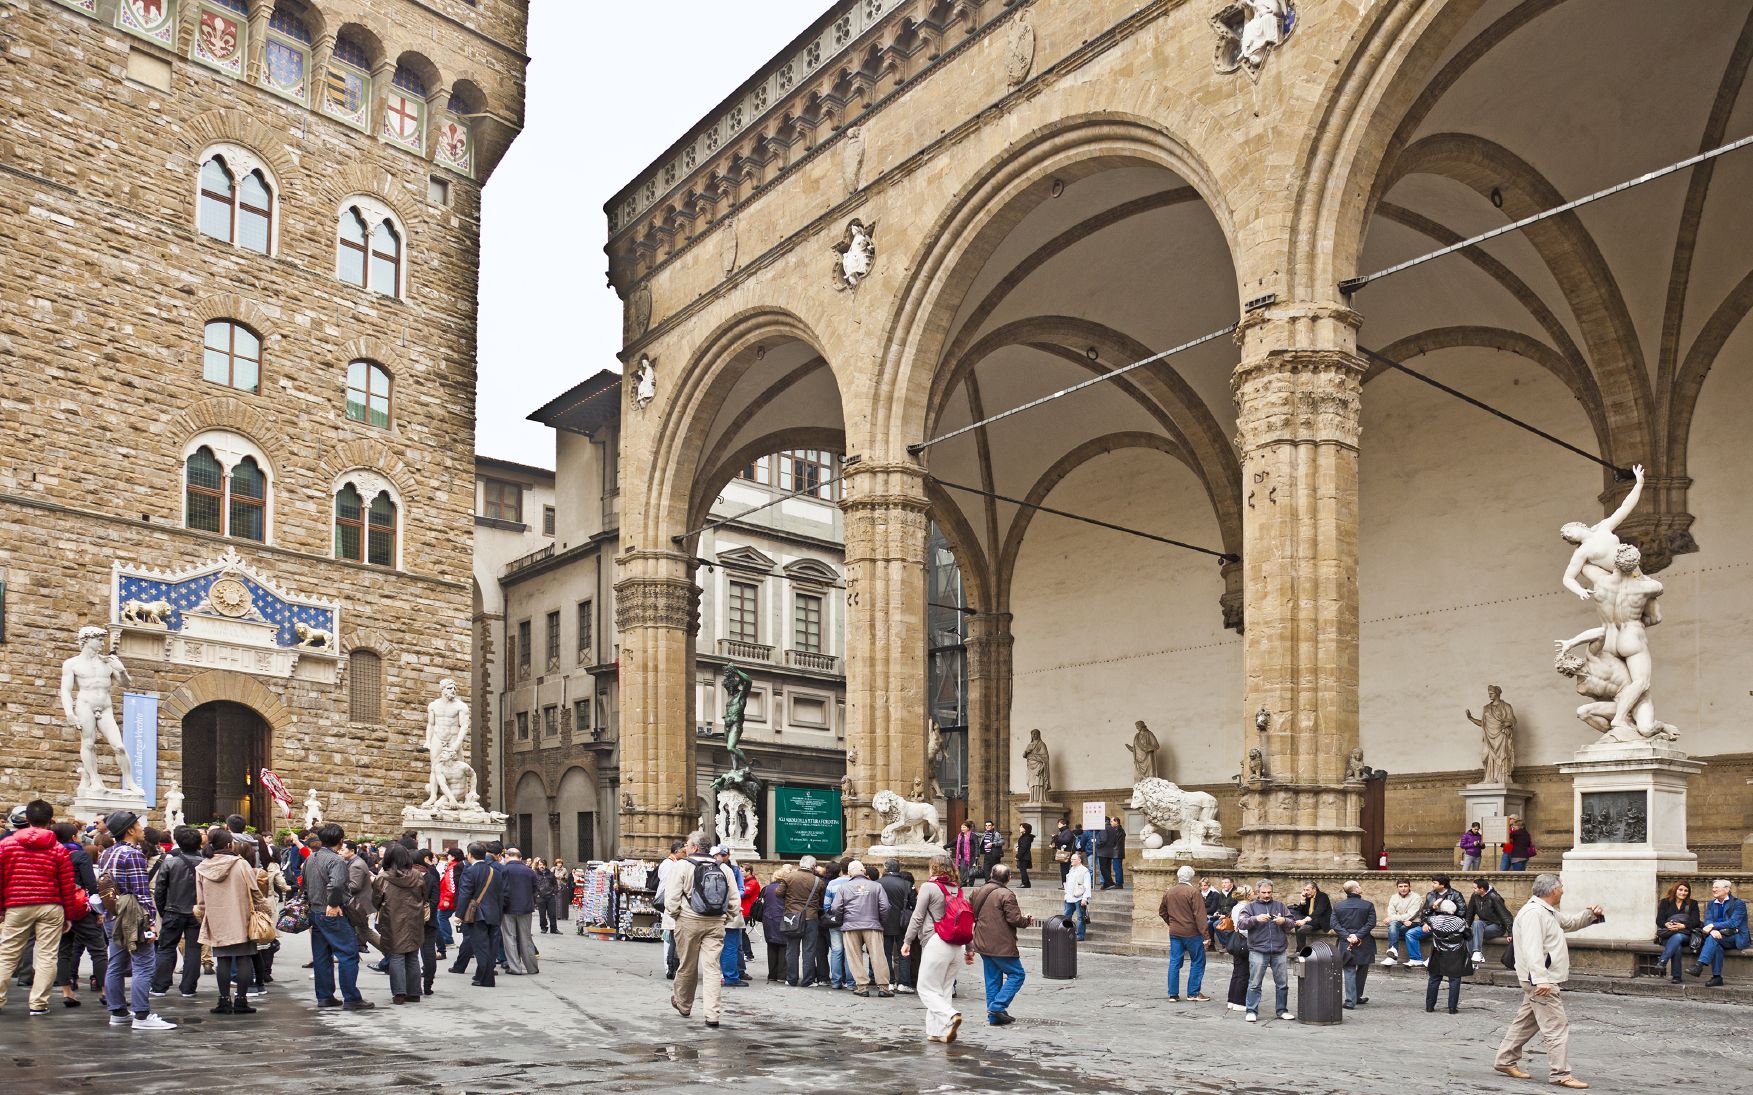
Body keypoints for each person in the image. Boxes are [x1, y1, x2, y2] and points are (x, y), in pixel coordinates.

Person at [1494, 872, 1603, 1088]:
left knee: (1525, 1023)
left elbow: (1569, 923)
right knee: (1556, 1026)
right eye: (1561, 887)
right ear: (1553, 890)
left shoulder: (1545, 911)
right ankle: (1560, 1073)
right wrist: (1541, 979)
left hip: (1539, 979)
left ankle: (1505, 1060)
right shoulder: (1534, 913)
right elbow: (1532, 948)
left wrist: (1590, 914)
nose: (1563, 890)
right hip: (1541, 981)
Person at [0, 799, 81, 1017]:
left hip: (17, 904)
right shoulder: (58, 849)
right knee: (47, 955)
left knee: (7, 954)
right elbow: (67, 884)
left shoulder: (7, 845)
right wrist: (69, 914)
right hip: (50, 905)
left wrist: (1, 907)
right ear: (50, 820)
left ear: (26, 818)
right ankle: (38, 1003)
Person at [97, 811, 176, 1029]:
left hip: (113, 914)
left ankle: (118, 1011)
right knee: (144, 963)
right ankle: (142, 1015)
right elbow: (141, 892)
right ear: (130, 830)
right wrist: (150, 922)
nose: (142, 829)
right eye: (139, 825)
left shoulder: (107, 853)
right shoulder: (133, 855)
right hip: (133, 916)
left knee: (116, 963)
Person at [664, 831, 737, 1028]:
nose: (685, 848)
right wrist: (725, 918)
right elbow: (734, 901)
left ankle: (684, 1004)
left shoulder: (682, 866)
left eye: (687, 845)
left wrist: (676, 915)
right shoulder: (723, 868)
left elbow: (671, 898)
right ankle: (712, 1014)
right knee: (712, 968)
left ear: (695, 847)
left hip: (688, 921)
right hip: (716, 922)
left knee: (687, 965)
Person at [194, 827, 263, 1015]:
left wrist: (204, 915)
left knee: (223, 960)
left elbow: (201, 901)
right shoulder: (241, 864)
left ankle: (223, 1000)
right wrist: (263, 909)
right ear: (229, 844)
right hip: (242, 916)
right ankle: (241, 1000)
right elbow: (255, 891)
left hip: (217, 918)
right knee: (243, 958)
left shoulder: (202, 867)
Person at [903, 854, 970, 1043]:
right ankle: (938, 1032)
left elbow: (918, 916)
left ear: (933, 868)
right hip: (957, 945)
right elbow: (966, 919)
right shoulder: (958, 890)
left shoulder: (929, 887)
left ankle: (950, 1015)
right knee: (944, 989)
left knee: (925, 988)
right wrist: (970, 948)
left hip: (936, 940)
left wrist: (907, 941)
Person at [305, 822, 371, 1010]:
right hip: (332, 912)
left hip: (315, 910)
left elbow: (304, 882)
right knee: (348, 954)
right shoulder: (337, 861)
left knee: (321, 956)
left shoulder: (311, 858)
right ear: (341, 841)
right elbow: (335, 885)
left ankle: (325, 996)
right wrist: (333, 904)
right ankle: (351, 998)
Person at [51, 821, 105, 1008]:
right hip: (80, 907)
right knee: (98, 949)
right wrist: (98, 910)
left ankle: (67, 992)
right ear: (74, 837)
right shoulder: (80, 856)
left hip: (59, 908)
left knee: (64, 951)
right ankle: (106, 991)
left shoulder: (52, 854)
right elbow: (91, 885)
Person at [972, 863, 1032, 1024]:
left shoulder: (977, 891)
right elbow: (1014, 919)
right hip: (1001, 943)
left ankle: (994, 1017)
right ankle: (997, 1007)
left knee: (992, 978)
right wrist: (1026, 920)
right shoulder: (1006, 894)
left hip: (982, 941)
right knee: (1017, 974)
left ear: (991, 875)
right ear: (1008, 878)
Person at [149, 825, 203, 998]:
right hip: (196, 912)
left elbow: (160, 890)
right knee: (194, 950)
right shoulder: (204, 864)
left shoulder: (170, 862)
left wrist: (163, 910)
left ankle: (159, 986)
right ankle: (188, 988)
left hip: (173, 910)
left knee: (166, 948)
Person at [372, 843, 428, 1005]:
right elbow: (423, 896)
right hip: (414, 919)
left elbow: (376, 900)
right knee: (412, 955)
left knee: (396, 955)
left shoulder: (383, 877)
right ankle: (414, 992)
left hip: (392, 919)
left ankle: (399, 993)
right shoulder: (417, 875)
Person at [1234, 878, 1294, 1023]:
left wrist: (1284, 921)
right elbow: (1241, 923)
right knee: (1255, 983)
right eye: (1264, 892)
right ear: (1257, 892)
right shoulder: (1250, 907)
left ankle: (1282, 1010)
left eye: (1269, 892)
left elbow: (1292, 922)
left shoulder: (1280, 906)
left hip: (1279, 949)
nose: (1267, 895)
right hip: (1258, 950)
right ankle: (1251, 1010)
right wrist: (1255, 919)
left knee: (1282, 984)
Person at [832, 860, 893, 997]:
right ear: (863, 871)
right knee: (878, 956)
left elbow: (836, 908)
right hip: (872, 924)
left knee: (854, 956)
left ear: (849, 873)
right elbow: (885, 906)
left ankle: (862, 987)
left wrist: (842, 920)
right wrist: (879, 920)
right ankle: (884, 988)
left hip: (851, 925)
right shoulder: (876, 886)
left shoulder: (843, 887)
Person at [452, 841, 503, 988]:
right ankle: (482, 976)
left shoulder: (469, 871)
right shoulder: (495, 872)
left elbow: (465, 894)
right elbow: (500, 895)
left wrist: (459, 914)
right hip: (494, 913)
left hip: (477, 914)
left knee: (481, 948)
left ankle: (487, 979)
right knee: (490, 947)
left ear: (470, 855)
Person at [1158, 864, 1207, 1002]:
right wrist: (1206, 935)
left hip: (1175, 931)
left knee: (1174, 962)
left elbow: (1162, 911)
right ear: (1191, 877)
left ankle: (1173, 994)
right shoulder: (1193, 892)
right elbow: (1200, 916)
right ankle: (1193, 992)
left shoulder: (1169, 892)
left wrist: (1171, 923)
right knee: (1198, 961)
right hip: (1192, 932)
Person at [1688, 878, 1747, 986]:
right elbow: (1708, 921)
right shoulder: (1711, 904)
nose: (1713, 889)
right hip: (1717, 936)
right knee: (1715, 943)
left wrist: (1713, 926)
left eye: (1716, 887)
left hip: (1736, 936)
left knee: (1713, 939)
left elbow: (1733, 923)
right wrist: (1713, 931)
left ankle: (1699, 965)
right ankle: (1717, 977)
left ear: (1727, 889)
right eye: (1713, 887)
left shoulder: (1738, 904)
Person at [1331, 880, 1376, 1008]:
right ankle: (1355, 997)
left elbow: (1334, 924)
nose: (1360, 887)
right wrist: (1357, 935)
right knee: (1362, 970)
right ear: (1355, 889)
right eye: (1359, 886)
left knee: (1349, 970)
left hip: (1346, 942)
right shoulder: (1368, 905)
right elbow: (1371, 923)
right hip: (1364, 942)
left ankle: (1351, 1000)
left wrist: (1348, 936)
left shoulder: (1338, 906)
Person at [780, 854, 823, 987]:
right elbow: (821, 900)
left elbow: (778, 893)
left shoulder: (789, 877)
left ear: (800, 864)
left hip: (792, 917)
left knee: (792, 949)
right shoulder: (818, 881)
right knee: (809, 950)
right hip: (811, 918)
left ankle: (791, 979)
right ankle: (807, 980)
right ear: (813, 866)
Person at [1423, 896, 1470, 1014]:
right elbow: (1469, 936)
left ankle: (1429, 1006)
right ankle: (1452, 1008)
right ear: (1454, 910)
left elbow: (1424, 915)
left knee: (1434, 979)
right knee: (1454, 980)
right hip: (1455, 954)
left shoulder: (1434, 920)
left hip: (1438, 953)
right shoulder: (1460, 922)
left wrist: (1433, 907)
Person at [498, 848, 539, 975]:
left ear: (507, 856)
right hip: (525, 908)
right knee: (526, 937)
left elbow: (501, 889)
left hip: (508, 908)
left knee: (509, 937)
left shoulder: (503, 870)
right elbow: (535, 889)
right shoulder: (529, 871)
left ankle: (515, 968)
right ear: (520, 857)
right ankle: (532, 967)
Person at [714, 847, 749, 988]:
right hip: (729, 912)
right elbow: (739, 891)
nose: (723, 857)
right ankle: (730, 976)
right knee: (730, 947)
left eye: (725, 854)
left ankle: (720, 975)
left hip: (712, 912)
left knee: (717, 947)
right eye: (721, 855)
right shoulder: (730, 870)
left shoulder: (705, 868)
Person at [878, 858, 915, 991]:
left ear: (885, 868)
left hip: (883, 922)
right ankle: (903, 983)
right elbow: (914, 904)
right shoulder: (907, 884)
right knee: (904, 953)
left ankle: (889, 981)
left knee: (885, 953)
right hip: (902, 923)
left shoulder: (878, 883)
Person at [1656, 881, 1700, 984]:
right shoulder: (1665, 902)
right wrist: (1667, 924)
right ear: (1675, 890)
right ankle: (1676, 976)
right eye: (1680, 890)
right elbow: (1659, 920)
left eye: (1686, 890)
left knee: (1678, 937)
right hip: (1668, 934)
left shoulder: (1692, 903)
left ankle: (1662, 961)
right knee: (1677, 946)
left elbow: (1696, 921)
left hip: (1685, 934)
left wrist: (1683, 926)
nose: (1683, 893)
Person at [654, 841, 685, 980]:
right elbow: (669, 885)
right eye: (683, 852)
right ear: (676, 851)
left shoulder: (672, 863)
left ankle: (671, 966)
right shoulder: (669, 864)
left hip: (670, 902)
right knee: (669, 936)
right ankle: (669, 967)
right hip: (668, 902)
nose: (685, 854)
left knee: (671, 936)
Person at [1466, 877, 1514, 964]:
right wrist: (1466, 927)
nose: (1473, 890)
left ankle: (1473, 957)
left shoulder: (1494, 897)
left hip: (1497, 926)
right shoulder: (1475, 896)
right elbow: (1470, 913)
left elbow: (1505, 915)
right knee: (1475, 924)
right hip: (1483, 924)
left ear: (1482, 889)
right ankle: (1476, 954)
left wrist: (1510, 933)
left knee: (1473, 932)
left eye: (1475, 888)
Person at [413, 847, 441, 996]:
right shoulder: (431, 877)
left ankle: (412, 987)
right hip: (428, 920)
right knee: (429, 952)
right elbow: (435, 900)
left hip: (409, 921)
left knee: (410, 955)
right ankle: (428, 985)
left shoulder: (406, 877)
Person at [1223, 883, 1253, 1012]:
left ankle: (1232, 999)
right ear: (1247, 895)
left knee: (1237, 971)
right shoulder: (1245, 908)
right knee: (1243, 973)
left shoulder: (1236, 907)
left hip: (1237, 941)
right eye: (1252, 892)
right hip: (1243, 941)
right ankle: (1239, 1002)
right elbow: (1244, 928)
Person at [824, 858, 853, 989]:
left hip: (835, 921)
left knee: (836, 951)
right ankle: (850, 982)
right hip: (851, 922)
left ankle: (836, 981)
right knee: (850, 952)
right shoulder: (856, 883)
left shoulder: (832, 883)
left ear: (842, 869)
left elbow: (826, 905)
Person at [1381, 878, 1424, 966]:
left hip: (1413, 922)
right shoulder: (1393, 897)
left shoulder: (1416, 897)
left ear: (1409, 887)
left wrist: (1394, 918)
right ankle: (1393, 953)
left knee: (1393, 927)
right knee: (1393, 925)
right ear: (1397, 887)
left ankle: (1392, 955)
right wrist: (1402, 920)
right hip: (1400, 923)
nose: (1403, 889)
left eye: (1405, 886)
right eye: (1400, 886)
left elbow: (1411, 914)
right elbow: (1391, 913)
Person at [760, 865, 791, 983]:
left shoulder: (767, 888)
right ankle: (781, 975)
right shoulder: (786, 889)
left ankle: (772, 974)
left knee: (771, 945)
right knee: (783, 945)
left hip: (768, 919)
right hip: (782, 918)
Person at [1289, 880, 1331, 952]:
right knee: (1298, 923)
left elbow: (1318, 912)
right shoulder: (1307, 897)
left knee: (1303, 923)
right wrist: (1302, 901)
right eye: (1304, 890)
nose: (1305, 892)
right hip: (1309, 920)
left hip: (1321, 920)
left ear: (1314, 889)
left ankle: (1308, 926)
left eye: (1307, 890)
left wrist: (1304, 920)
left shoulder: (1323, 896)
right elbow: (1302, 912)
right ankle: (1300, 951)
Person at [436, 847, 463, 958]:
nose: (447, 857)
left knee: (442, 917)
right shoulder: (454, 866)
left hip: (449, 898)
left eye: (449, 855)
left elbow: (451, 885)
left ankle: (447, 940)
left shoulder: (453, 868)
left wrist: (447, 898)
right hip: (450, 897)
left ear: (453, 856)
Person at [1062, 851, 1091, 940]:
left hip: (1079, 897)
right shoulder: (1071, 869)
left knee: (1080, 917)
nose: (1071, 861)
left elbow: (1087, 885)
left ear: (1079, 860)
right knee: (1066, 916)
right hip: (1069, 897)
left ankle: (1080, 935)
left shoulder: (1084, 871)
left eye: (1073, 859)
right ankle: (1067, 933)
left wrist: (1085, 898)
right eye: (1071, 859)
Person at [549, 858, 574, 934]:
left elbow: (567, 878)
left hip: (562, 886)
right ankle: (556, 915)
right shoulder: (553, 869)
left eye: (560, 863)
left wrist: (563, 877)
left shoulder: (564, 869)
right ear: (556, 863)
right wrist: (555, 877)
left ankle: (563, 915)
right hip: (555, 886)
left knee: (563, 902)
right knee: (555, 901)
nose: (559, 864)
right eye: (558, 863)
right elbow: (550, 877)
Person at [533, 857, 557, 935]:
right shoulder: (535, 874)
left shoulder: (550, 874)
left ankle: (554, 928)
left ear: (545, 865)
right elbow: (533, 885)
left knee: (552, 914)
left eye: (543, 865)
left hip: (551, 896)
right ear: (538, 865)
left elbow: (555, 884)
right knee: (542, 914)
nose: (541, 866)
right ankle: (543, 927)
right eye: (540, 864)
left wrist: (554, 892)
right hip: (540, 896)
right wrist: (537, 894)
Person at [1101, 816, 1126, 890]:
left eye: (1112, 821)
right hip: (1116, 852)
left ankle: (1119, 884)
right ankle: (1117, 883)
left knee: (1117, 868)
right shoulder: (1117, 829)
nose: (1110, 823)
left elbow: (1114, 841)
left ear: (1116, 822)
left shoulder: (1118, 830)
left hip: (1117, 852)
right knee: (1117, 868)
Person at [1014, 822, 1034, 889]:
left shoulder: (1026, 837)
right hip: (1023, 855)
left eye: (1021, 827)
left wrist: (1018, 856)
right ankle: (1025, 883)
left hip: (1024, 856)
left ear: (1025, 829)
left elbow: (1024, 848)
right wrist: (1018, 847)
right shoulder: (1024, 836)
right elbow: (1022, 846)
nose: (1020, 828)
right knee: (1022, 870)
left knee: (1023, 870)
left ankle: (1025, 883)